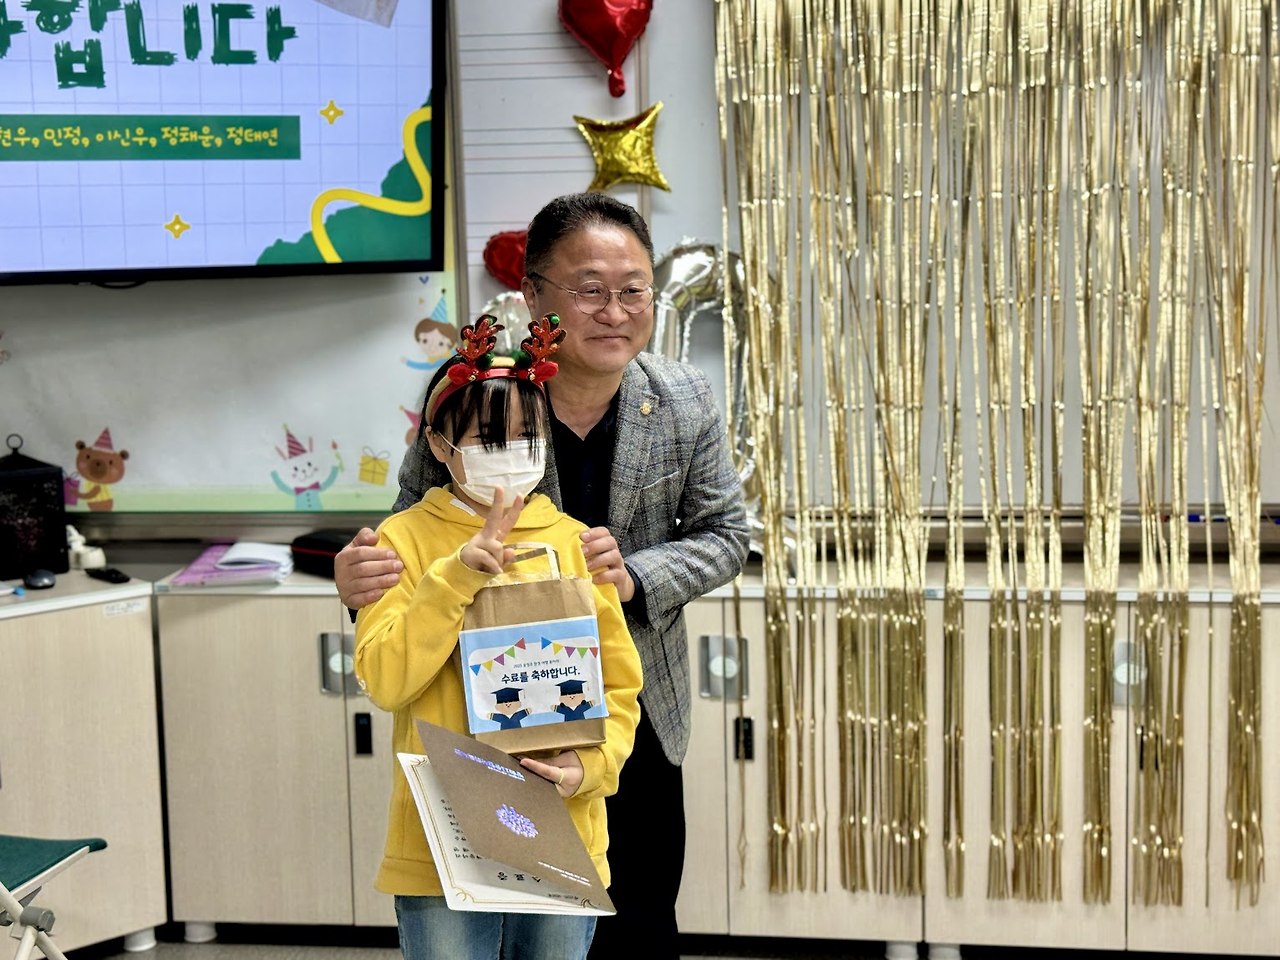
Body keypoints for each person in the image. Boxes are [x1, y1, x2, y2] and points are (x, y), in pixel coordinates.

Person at [338, 191, 750, 958]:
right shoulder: (480, 396)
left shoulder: (684, 398)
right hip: (474, 717)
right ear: (533, 296)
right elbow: (411, 532)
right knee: (483, 927)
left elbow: (728, 534)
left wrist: (632, 577)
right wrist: (361, 578)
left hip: (625, 704)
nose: (615, 311)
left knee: (634, 916)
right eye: (590, 289)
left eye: (633, 289)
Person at [354, 314, 643, 960]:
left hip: (561, 826)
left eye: (526, 435)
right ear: (439, 445)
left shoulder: (576, 543)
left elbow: (621, 686)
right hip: (444, 839)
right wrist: (454, 577)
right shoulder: (403, 540)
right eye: (488, 437)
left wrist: (590, 767)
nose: (510, 451)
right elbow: (387, 679)